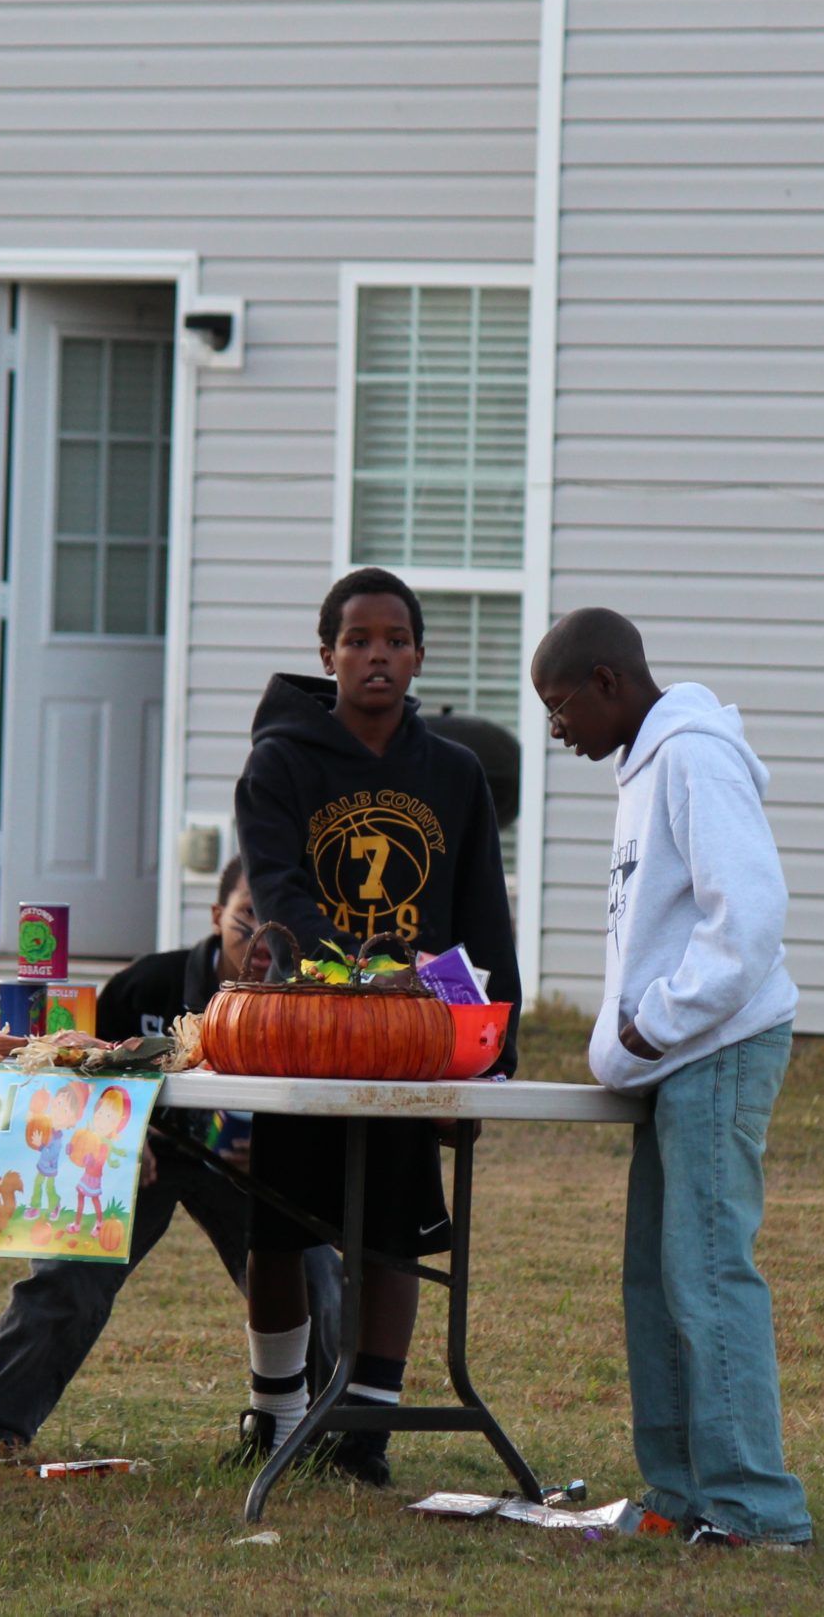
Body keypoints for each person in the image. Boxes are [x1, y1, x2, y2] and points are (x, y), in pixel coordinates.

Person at [529, 606, 812, 1551]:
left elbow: (750, 919)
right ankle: (680, 1491)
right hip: (674, 1063)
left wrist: (651, 1026)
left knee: (708, 1276)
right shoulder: (642, 766)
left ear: (609, 682)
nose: (556, 727)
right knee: (654, 1281)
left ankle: (756, 1508)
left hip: (718, 1050)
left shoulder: (695, 755)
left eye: (562, 706)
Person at [230, 567, 521, 1487]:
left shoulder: (454, 773)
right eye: (358, 640)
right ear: (327, 656)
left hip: (415, 1039)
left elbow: (482, 916)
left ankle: (366, 1428)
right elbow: (277, 893)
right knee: (281, 1229)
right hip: (310, 1028)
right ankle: (275, 1417)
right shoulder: (281, 762)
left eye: (396, 639)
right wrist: (351, 976)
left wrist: (495, 1051)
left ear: (419, 656)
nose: (378, 655)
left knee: (393, 1230)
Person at [0, 861, 340, 1453]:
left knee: (315, 1273)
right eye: (249, 914)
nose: (263, 938)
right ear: (215, 915)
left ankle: (333, 1436)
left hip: (245, 1168)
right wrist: (123, 1138)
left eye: (282, 922)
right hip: (134, 1156)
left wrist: (288, 1147)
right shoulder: (147, 985)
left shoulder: (313, 1002)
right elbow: (70, 1066)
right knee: (70, 1270)